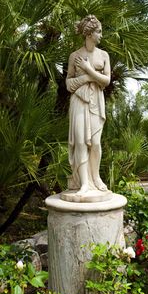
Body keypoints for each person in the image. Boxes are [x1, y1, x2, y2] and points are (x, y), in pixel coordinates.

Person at [66, 15, 111, 194]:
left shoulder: (104, 55)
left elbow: (106, 81)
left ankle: (96, 177)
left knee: (96, 143)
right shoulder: (75, 56)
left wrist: (88, 69)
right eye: (99, 32)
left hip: (96, 102)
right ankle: (84, 183)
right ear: (89, 34)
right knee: (80, 142)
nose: (101, 35)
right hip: (78, 101)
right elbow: (69, 83)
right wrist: (88, 77)